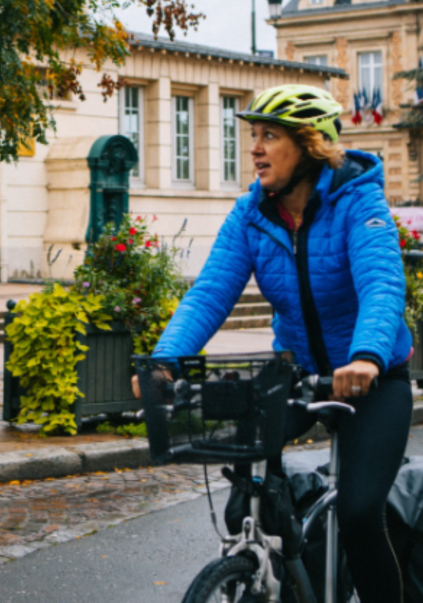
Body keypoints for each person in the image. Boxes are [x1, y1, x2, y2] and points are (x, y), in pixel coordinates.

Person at [136, 83, 413, 603]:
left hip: (372, 379)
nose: (255, 148)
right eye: (253, 135)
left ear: (310, 146)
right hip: (301, 375)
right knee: (248, 502)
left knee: (357, 513)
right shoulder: (252, 214)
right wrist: (165, 361)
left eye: (270, 136)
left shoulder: (358, 200)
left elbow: (381, 282)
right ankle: (275, 568)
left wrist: (367, 357)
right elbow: (210, 292)